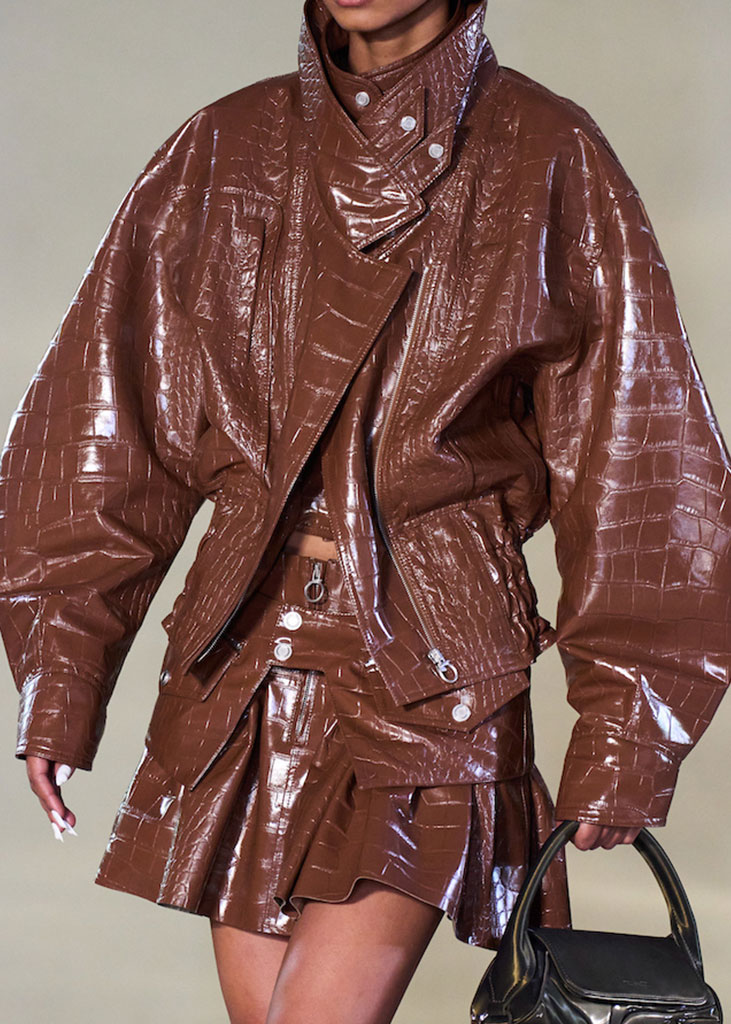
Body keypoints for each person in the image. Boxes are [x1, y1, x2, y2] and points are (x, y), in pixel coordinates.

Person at [2, 1, 730, 1022]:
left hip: (432, 673)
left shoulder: (547, 152)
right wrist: (63, 673)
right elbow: (104, 421)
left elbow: (643, 461)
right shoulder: (224, 147)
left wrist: (628, 734)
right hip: (241, 665)